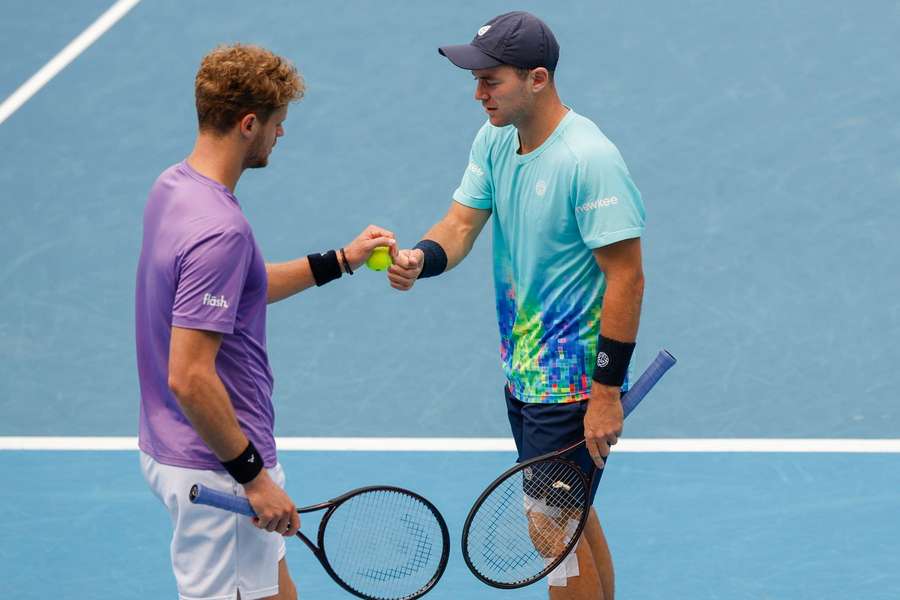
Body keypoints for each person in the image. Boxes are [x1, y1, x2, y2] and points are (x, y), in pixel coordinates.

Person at [388, 12, 645, 600]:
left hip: (571, 381)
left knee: (549, 535)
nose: (478, 93)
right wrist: (419, 259)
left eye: (490, 80)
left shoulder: (588, 159)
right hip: (524, 369)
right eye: (475, 79)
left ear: (537, 79)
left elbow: (627, 279)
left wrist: (605, 395)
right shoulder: (497, 138)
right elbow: (459, 223)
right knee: (567, 519)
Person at [135, 44, 396, 600]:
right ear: (249, 123)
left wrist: (341, 261)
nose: (281, 135)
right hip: (219, 464)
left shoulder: (173, 188)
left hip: (185, 446)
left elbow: (238, 290)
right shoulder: (220, 230)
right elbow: (190, 376)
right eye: (278, 124)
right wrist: (253, 477)